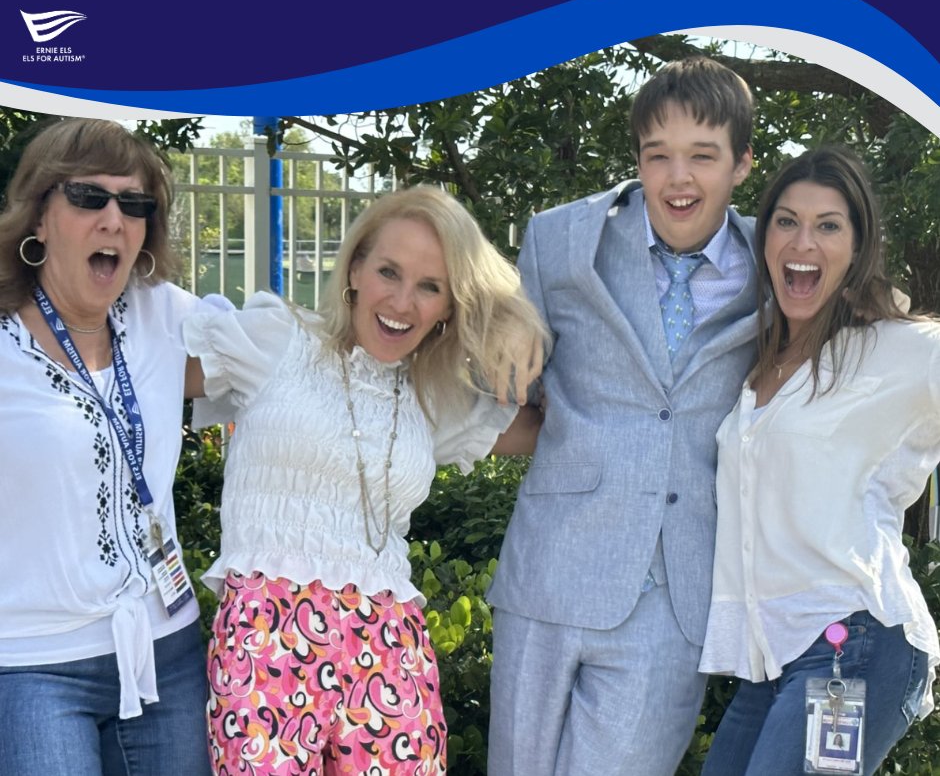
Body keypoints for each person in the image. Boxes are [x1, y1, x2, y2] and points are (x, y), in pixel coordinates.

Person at [182, 185, 548, 774]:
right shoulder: (278, 338)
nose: (402, 302)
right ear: (354, 268)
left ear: (451, 304)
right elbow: (142, 373)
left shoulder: (436, 396)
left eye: (431, 286)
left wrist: (518, 328)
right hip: (267, 633)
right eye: (388, 272)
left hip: (389, 640)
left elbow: (550, 422)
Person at [484, 56, 760, 775]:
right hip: (550, 570)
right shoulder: (560, 239)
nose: (677, 179)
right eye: (657, 155)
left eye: (703, 157)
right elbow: (499, 371)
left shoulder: (779, 262)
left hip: (675, 598)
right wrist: (504, 328)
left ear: (743, 164)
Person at [699, 145, 940, 775]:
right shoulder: (756, 364)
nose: (803, 240)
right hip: (773, 663)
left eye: (828, 225)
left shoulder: (898, 351)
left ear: (856, 249)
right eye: (786, 221)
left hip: (855, 644)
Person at [0, 119, 212, 774]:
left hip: (165, 656)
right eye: (90, 197)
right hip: (33, 668)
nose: (115, 219)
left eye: (136, 203)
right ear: (39, 216)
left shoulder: (166, 316)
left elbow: (305, 356)